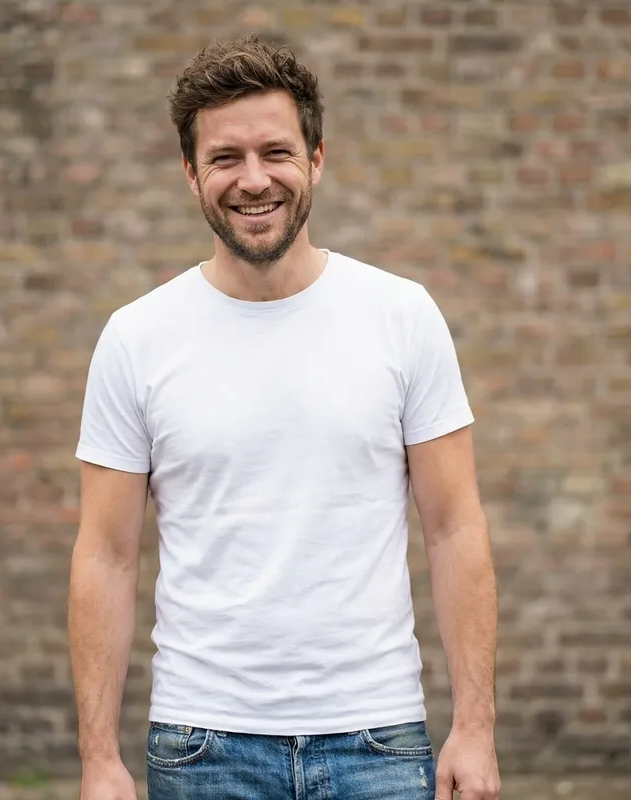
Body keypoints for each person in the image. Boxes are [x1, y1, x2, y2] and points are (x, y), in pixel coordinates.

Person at [69, 33, 500, 800]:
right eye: (225, 157)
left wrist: (476, 725)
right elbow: (106, 556)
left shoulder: (401, 316)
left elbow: (454, 528)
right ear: (190, 172)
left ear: (317, 159)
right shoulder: (136, 338)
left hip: (378, 739)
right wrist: (98, 757)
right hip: (202, 746)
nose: (253, 179)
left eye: (276, 152)